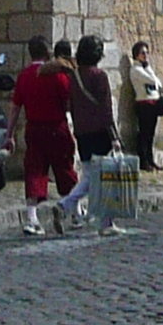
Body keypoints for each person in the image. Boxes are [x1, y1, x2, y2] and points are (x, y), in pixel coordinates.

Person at [7, 34, 78, 238]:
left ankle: (32, 218)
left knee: (35, 170)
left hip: (34, 129)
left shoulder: (24, 76)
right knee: (65, 168)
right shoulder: (58, 76)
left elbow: (15, 108)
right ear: (47, 52)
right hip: (57, 127)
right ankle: (73, 212)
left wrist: (9, 134)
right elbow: (68, 103)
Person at [58, 34, 116, 231]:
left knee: (91, 176)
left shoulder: (74, 77)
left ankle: (104, 220)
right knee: (102, 178)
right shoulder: (99, 76)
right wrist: (114, 136)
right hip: (100, 132)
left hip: (82, 132)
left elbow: (71, 105)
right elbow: (106, 109)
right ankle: (68, 204)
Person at [126, 40, 163, 172]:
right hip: (144, 104)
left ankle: (151, 160)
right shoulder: (136, 70)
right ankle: (143, 161)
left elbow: (158, 82)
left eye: (146, 52)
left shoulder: (145, 68)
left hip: (153, 103)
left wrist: (148, 66)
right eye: (142, 53)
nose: (145, 55)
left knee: (151, 134)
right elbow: (153, 80)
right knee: (144, 133)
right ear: (136, 55)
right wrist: (149, 72)